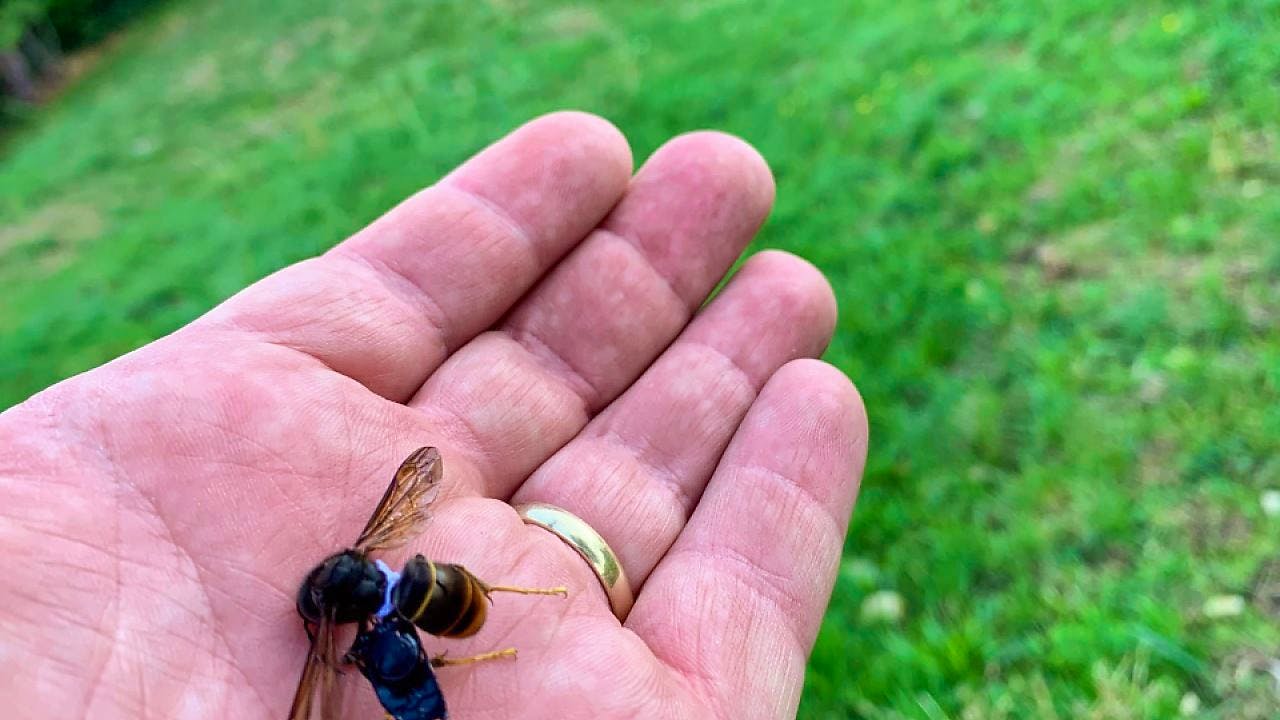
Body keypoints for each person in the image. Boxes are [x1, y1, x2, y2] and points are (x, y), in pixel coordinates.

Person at [0, 112, 868, 719]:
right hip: (433, 589)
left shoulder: (343, 633)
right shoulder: (376, 552)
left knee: (409, 640)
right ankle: (487, 615)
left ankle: (482, 626)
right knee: (426, 603)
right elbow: (412, 490)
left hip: (437, 605)